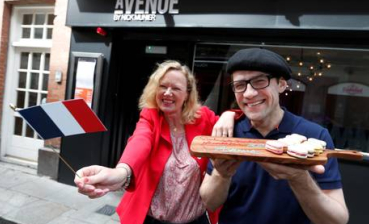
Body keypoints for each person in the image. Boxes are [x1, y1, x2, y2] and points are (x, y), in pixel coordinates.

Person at [74, 60, 239, 224]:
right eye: (163, 86)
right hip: (152, 219)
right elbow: (140, 141)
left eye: (175, 88)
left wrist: (230, 114)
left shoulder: (203, 117)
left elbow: (244, 122)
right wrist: (121, 172)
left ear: (187, 94)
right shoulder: (150, 116)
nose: (167, 92)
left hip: (195, 220)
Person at [199, 48, 349, 224]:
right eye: (240, 85)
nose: (248, 93)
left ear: (281, 84)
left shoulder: (314, 136)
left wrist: (299, 179)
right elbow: (209, 203)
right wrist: (221, 175)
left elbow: (337, 220)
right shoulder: (227, 133)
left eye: (260, 81)